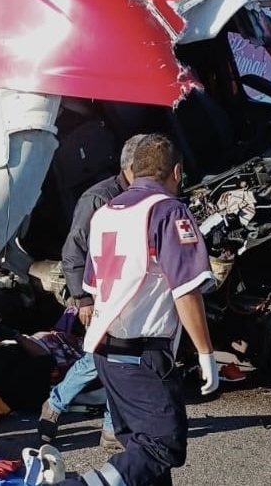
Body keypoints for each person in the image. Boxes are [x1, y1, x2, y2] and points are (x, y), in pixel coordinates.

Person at [54, 133, 219, 486]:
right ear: (176, 171)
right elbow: (186, 289)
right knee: (162, 446)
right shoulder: (168, 211)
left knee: (141, 450)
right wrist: (206, 354)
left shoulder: (105, 212)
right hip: (143, 355)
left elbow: (93, 286)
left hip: (107, 353)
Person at [38, 134, 145, 451]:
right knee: (107, 358)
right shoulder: (98, 198)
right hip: (100, 295)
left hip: (130, 294)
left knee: (118, 358)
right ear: (131, 167)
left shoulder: (143, 197)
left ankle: (96, 422)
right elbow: (74, 250)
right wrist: (82, 299)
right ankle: (65, 409)